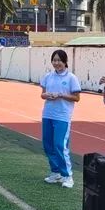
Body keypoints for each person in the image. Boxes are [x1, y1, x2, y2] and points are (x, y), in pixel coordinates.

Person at [40, 50, 81, 189]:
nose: (56, 63)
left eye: (59, 60)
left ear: (65, 61)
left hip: (62, 116)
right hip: (48, 114)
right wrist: (48, 95)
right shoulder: (48, 76)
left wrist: (61, 95)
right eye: (54, 60)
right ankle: (55, 172)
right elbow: (42, 94)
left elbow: (76, 98)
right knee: (48, 145)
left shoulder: (71, 78)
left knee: (60, 145)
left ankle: (67, 175)